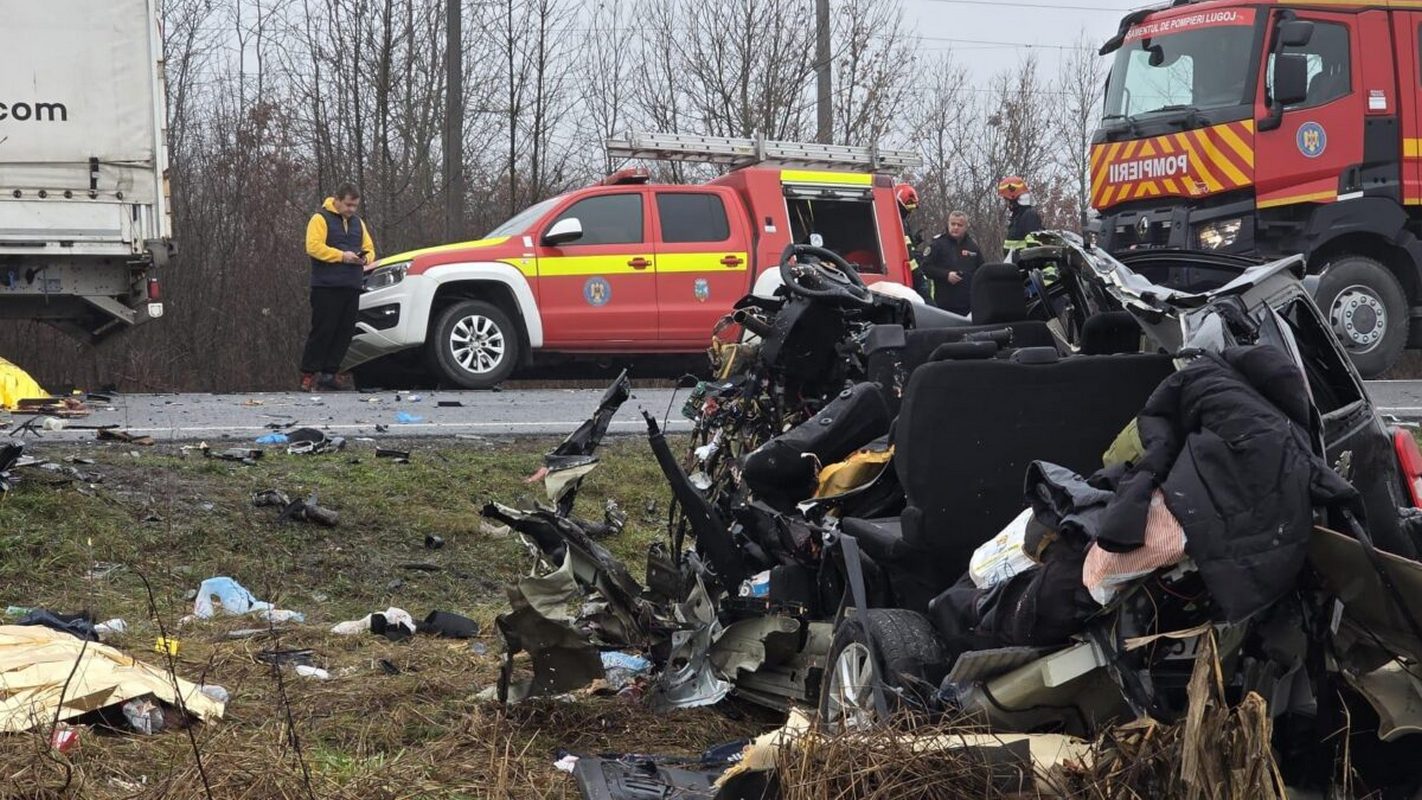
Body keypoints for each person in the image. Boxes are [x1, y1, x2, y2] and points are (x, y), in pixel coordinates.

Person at [301, 182, 376, 391]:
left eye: (355, 206)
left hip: (351, 285)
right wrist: (341, 256)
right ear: (337, 200)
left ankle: (330, 373)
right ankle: (308, 373)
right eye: (348, 205)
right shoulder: (320, 218)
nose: (351, 210)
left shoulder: (358, 223)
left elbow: (369, 248)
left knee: (344, 331)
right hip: (326, 286)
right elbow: (313, 247)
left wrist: (365, 258)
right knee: (323, 330)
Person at [921, 211, 984, 316]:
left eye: (959, 225)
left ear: (965, 227)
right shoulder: (938, 244)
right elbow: (925, 268)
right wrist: (946, 275)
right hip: (943, 305)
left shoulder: (972, 246)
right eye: (953, 224)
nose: (955, 227)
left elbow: (981, 270)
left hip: (968, 307)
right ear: (948, 224)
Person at [894, 184, 931, 299]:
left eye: (913, 208)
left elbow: (907, 246)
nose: (910, 211)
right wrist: (919, 278)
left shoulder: (902, 222)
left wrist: (916, 240)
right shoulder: (897, 221)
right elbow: (907, 253)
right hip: (911, 275)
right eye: (909, 207)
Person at [998, 175, 1043, 256]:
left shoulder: (1029, 216)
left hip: (1027, 267)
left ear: (1013, 198)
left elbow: (1034, 249)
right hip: (1015, 266)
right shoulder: (1017, 218)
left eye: (1006, 200)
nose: (1006, 203)